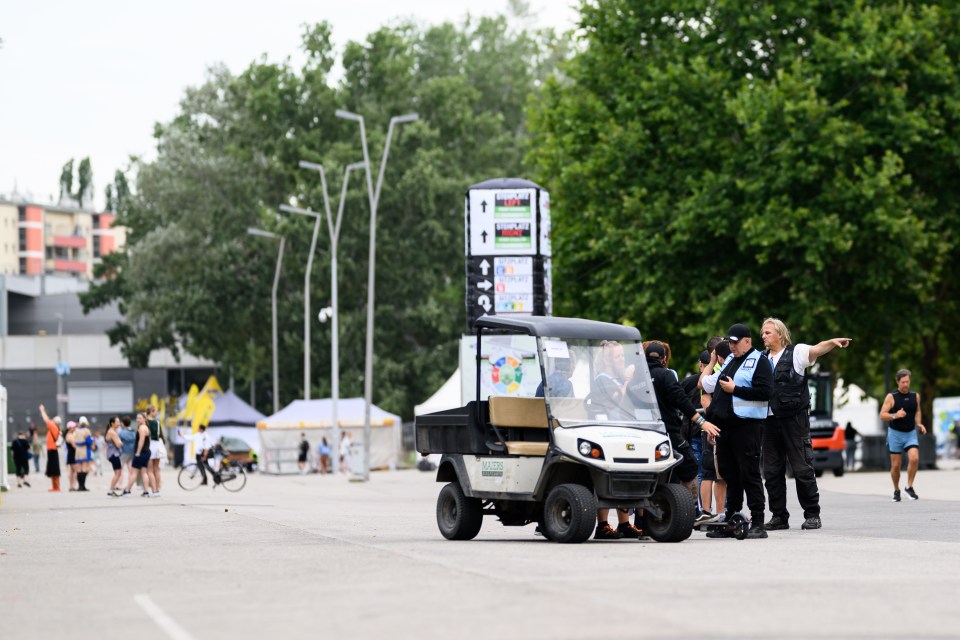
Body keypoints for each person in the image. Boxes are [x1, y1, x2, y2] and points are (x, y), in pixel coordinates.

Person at [759, 318, 851, 531]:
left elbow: (817, 349)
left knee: (802, 468)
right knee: (772, 471)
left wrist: (832, 341)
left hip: (795, 421)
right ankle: (779, 517)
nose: (763, 336)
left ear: (780, 335)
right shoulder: (761, 359)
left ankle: (812, 514)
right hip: (769, 421)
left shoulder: (796, 352)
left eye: (767, 332)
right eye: (762, 333)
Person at [699, 323, 772, 539]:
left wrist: (736, 389)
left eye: (735, 342)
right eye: (729, 342)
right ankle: (732, 520)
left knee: (749, 474)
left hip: (748, 427)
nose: (731, 346)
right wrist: (711, 424)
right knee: (730, 475)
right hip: (726, 428)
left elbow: (766, 392)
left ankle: (758, 521)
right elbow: (716, 392)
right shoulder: (731, 360)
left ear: (747, 341)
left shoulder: (760, 361)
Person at [631, 342, 721, 514]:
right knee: (689, 467)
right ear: (664, 359)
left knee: (647, 474)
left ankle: (641, 522)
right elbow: (681, 401)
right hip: (667, 433)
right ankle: (689, 511)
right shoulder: (665, 375)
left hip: (641, 434)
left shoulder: (635, 379)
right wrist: (702, 422)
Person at [591, 340, 638, 539]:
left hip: (622, 429)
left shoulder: (614, 377)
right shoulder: (603, 378)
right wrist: (627, 380)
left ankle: (624, 523)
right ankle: (602, 525)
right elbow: (616, 400)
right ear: (608, 359)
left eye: (622, 356)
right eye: (618, 356)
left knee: (622, 477)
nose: (622, 360)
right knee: (605, 477)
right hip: (607, 431)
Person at [879, 369, 926, 501]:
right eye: (903, 382)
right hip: (895, 434)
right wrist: (895, 415)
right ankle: (896, 490)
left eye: (908, 381)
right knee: (896, 465)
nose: (906, 384)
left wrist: (919, 423)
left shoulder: (915, 396)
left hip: (910, 433)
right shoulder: (891, 397)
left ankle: (909, 487)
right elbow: (882, 415)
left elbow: (917, 411)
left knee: (914, 458)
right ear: (898, 382)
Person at [125, 413, 155, 497]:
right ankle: (146, 492)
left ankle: (127, 490)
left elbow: (141, 441)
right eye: (137, 418)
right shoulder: (146, 428)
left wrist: (138, 452)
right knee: (143, 472)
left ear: (144, 419)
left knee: (134, 473)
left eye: (140, 418)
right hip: (146, 452)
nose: (138, 420)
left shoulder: (142, 428)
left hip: (141, 453)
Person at [39, 404, 62, 492]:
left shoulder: (53, 427)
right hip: (52, 450)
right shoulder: (55, 428)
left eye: (53, 420)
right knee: (53, 469)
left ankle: (56, 487)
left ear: (55, 422)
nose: (51, 420)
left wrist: (42, 410)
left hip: (52, 450)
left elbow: (46, 419)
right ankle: (55, 486)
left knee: (54, 469)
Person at [146, 405, 164, 497]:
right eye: (156, 411)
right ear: (151, 412)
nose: (157, 413)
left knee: (149, 470)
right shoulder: (157, 421)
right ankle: (157, 489)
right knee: (156, 468)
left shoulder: (146, 422)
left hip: (150, 444)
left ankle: (153, 490)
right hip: (157, 445)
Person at [73, 417, 95, 492]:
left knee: (79, 469)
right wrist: (92, 440)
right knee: (85, 469)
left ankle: (79, 486)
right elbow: (89, 441)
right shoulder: (86, 431)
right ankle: (83, 486)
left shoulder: (76, 430)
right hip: (85, 450)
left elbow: (75, 440)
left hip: (78, 451)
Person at [104, 417, 125, 496]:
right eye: (117, 422)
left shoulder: (112, 431)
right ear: (112, 423)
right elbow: (118, 444)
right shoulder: (112, 432)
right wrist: (121, 442)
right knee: (118, 473)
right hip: (114, 454)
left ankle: (111, 489)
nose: (119, 423)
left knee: (118, 473)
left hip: (112, 454)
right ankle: (111, 490)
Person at [118, 415, 137, 489]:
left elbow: (119, 442)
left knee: (120, 469)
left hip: (124, 452)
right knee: (130, 469)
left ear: (123, 423)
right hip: (132, 452)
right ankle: (129, 485)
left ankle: (119, 484)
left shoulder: (122, 433)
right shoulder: (133, 432)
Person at [64, 421, 78, 491]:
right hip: (73, 455)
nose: (75, 428)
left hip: (70, 454)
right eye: (74, 427)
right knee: (75, 471)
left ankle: (71, 486)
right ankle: (73, 486)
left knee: (72, 471)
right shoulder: (70, 435)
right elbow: (74, 446)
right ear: (70, 428)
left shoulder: (67, 435)